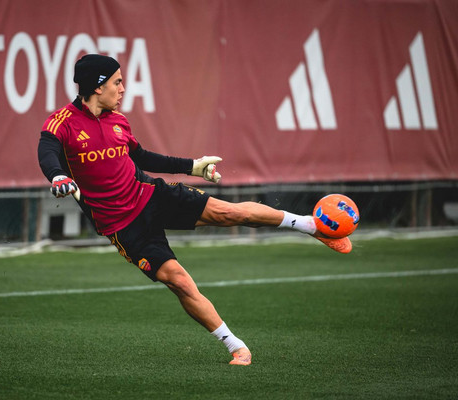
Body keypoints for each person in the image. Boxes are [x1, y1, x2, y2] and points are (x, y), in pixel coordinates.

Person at [37, 54, 352, 366]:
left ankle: (313, 226)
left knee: (231, 213)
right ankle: (237, 347)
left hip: (151, 194)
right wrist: (58, 175)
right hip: (122, 225)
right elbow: (47, 151)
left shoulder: (118, 120)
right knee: (179, 281)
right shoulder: (61, 123)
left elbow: (142, 157)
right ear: (98, 86)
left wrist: (193, 167)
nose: (122, 89)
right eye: (117, 82)